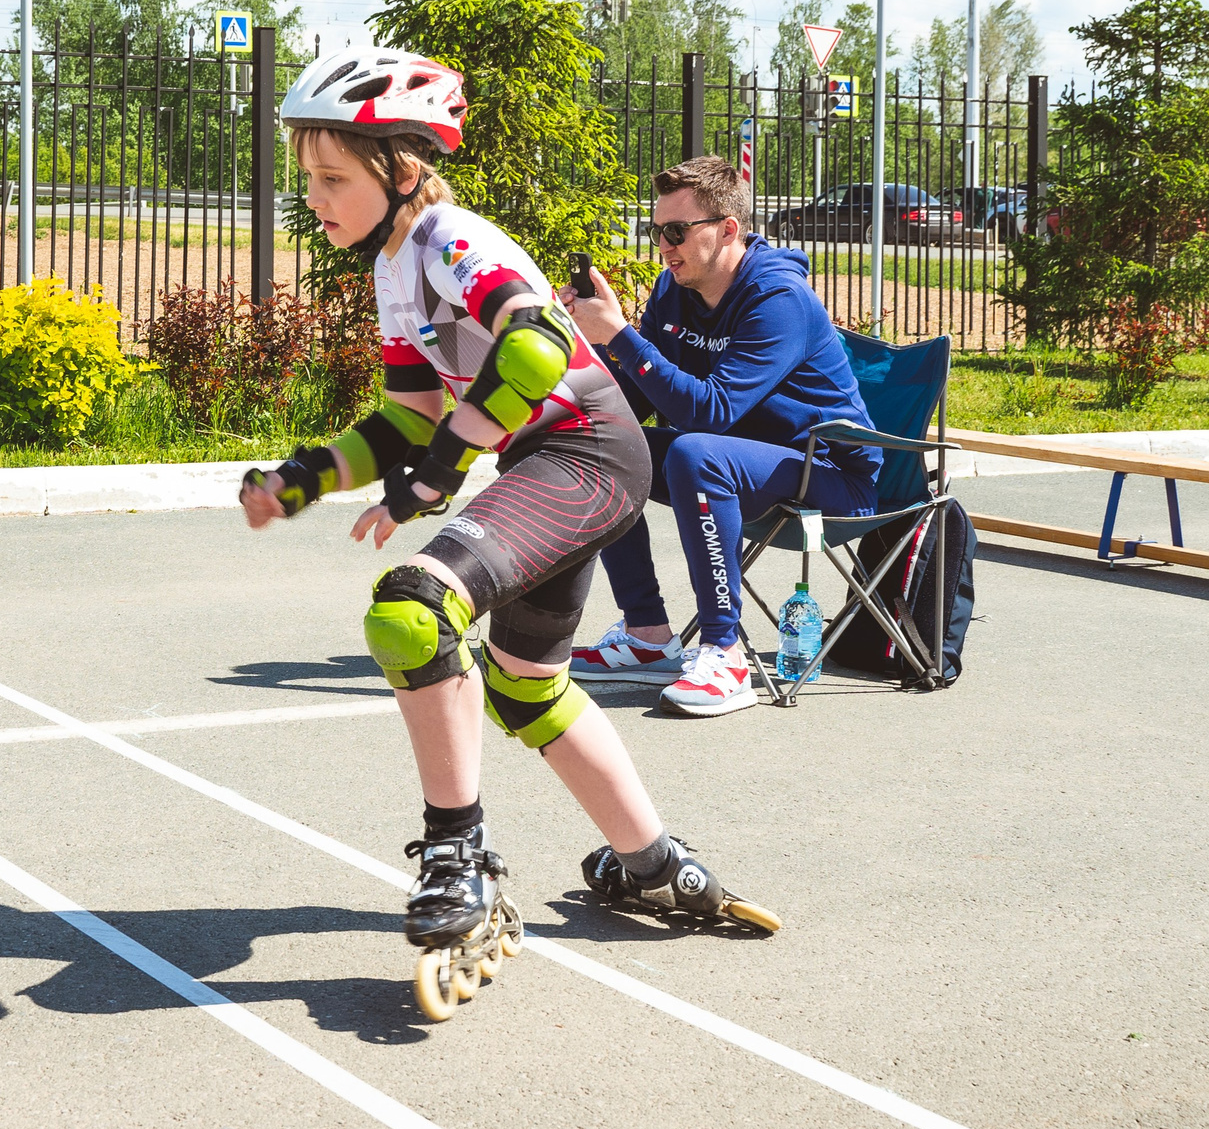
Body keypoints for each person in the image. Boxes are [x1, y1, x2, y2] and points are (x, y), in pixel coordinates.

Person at [239, 46, 757, 957]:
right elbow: (408, 415)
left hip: (587, 452)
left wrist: (436, 478)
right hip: (551, 462)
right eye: (306, 177)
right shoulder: (394, 267)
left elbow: (535, 352)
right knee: (525, 688)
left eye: (329, 177)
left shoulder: (449, 238)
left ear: (400, 171)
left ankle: (457, 853)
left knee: (412, 610)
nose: (312, 198)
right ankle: (654, 863)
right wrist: (305, 478)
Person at [564, 156, 879, 717]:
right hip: (740, 457)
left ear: (726, 229)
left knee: (694, 451)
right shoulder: (674, 291)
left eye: (677, 231)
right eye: (658, 230)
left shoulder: (778, 299)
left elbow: (709, 413)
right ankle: (649, 635)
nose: (664, 244)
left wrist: (620, 334)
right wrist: (585, 363)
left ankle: (726, 654)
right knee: (601, 447)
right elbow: (638, 400)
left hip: (829, 470)